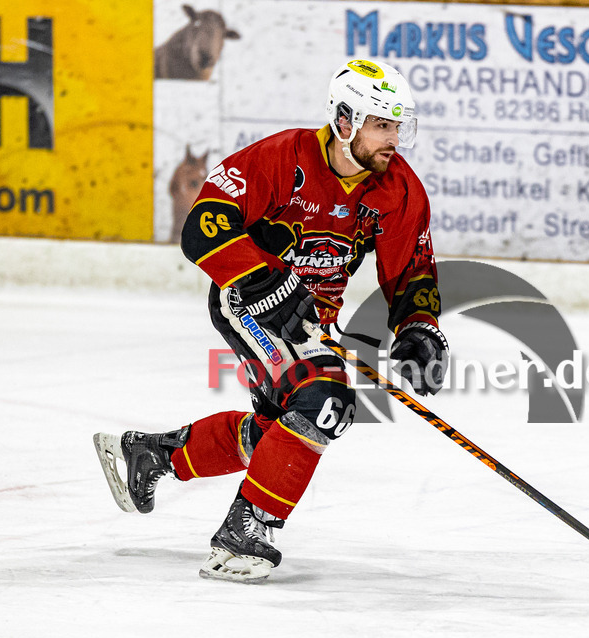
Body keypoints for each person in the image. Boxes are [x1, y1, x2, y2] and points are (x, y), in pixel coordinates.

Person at [92, 59, 448, 582]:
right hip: (248, 302)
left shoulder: (398, 188)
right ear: (344, 121)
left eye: (397, 126)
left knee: (282, 432)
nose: (392, 139)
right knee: (326, 401)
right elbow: (204, 229)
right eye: (381, 124)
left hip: (313, 320)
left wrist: (419, 328)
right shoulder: (283, 159)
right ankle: (244, 534)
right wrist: (267, 286)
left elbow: (411, 268)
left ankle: (155, 455)